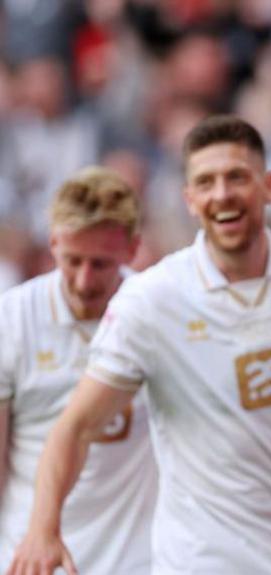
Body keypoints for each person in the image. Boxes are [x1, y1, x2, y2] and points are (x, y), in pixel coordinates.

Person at [8, 115, 271, 575]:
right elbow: (75, 427)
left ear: (269, 185)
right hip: (204, 559)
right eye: (206, 181)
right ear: (189, 199)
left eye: (236, 176)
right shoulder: (153, 299)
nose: (222, 193)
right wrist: (42, 529)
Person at [0, 168, 156, 574]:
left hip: (138, 558)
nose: (85, 280)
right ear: (52, 243)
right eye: (73, 261)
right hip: (30, 555)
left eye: (101, 264)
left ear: (132, 248)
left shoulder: (158, 315)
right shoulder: (11, 321)